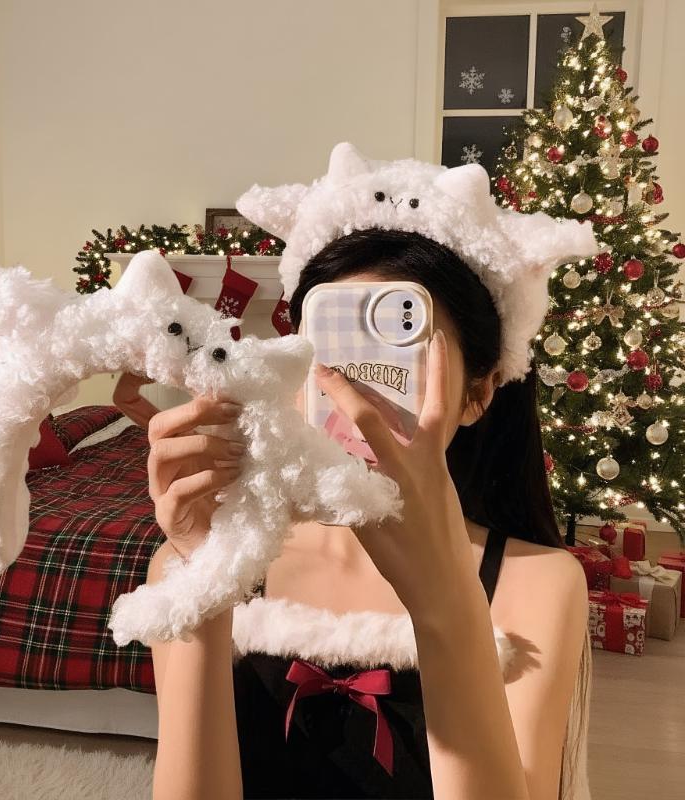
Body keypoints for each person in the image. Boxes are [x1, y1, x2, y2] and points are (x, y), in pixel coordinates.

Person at [139, 149, 595, 799]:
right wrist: (207, 579)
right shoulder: (197, 559)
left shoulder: (540, 584)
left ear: (479, 393)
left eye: (396, 354)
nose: (357, 392)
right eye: (333, 352)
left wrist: (446, 601)